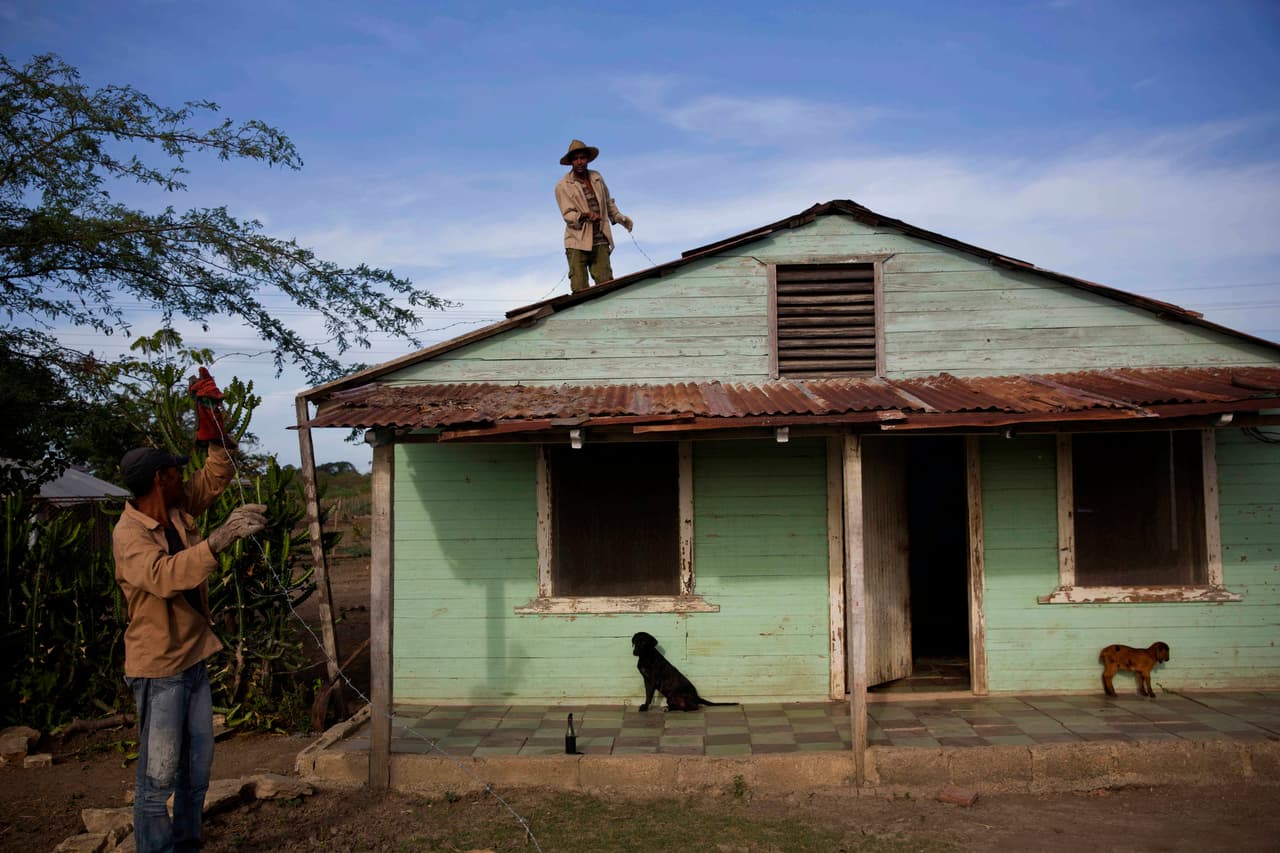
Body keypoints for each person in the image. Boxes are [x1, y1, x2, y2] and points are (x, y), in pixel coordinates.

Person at [113, 367, 268, 852]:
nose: (185, 476)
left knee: (196, 774)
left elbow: (217, 474)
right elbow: (164, 576)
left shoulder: (177, 511)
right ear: (161, 479)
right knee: (157, 781)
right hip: (159, 669)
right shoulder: (129, 535)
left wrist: (211, 418)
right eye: (177, 471)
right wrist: (220, 538)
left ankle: (188, 845)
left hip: (193, 661)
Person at [554, 138, 634, 293]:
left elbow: (608, 203)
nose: (579, 162)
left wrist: (620, 218)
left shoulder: (596, 177)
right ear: (571, 162)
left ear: (587, 159)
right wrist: (585, 215)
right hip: (577, 242)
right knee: (580, 289)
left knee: (606, 285)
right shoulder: (563, 185)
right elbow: (568, 215)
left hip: (600, 239)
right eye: (576, 159)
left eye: (582, 158)